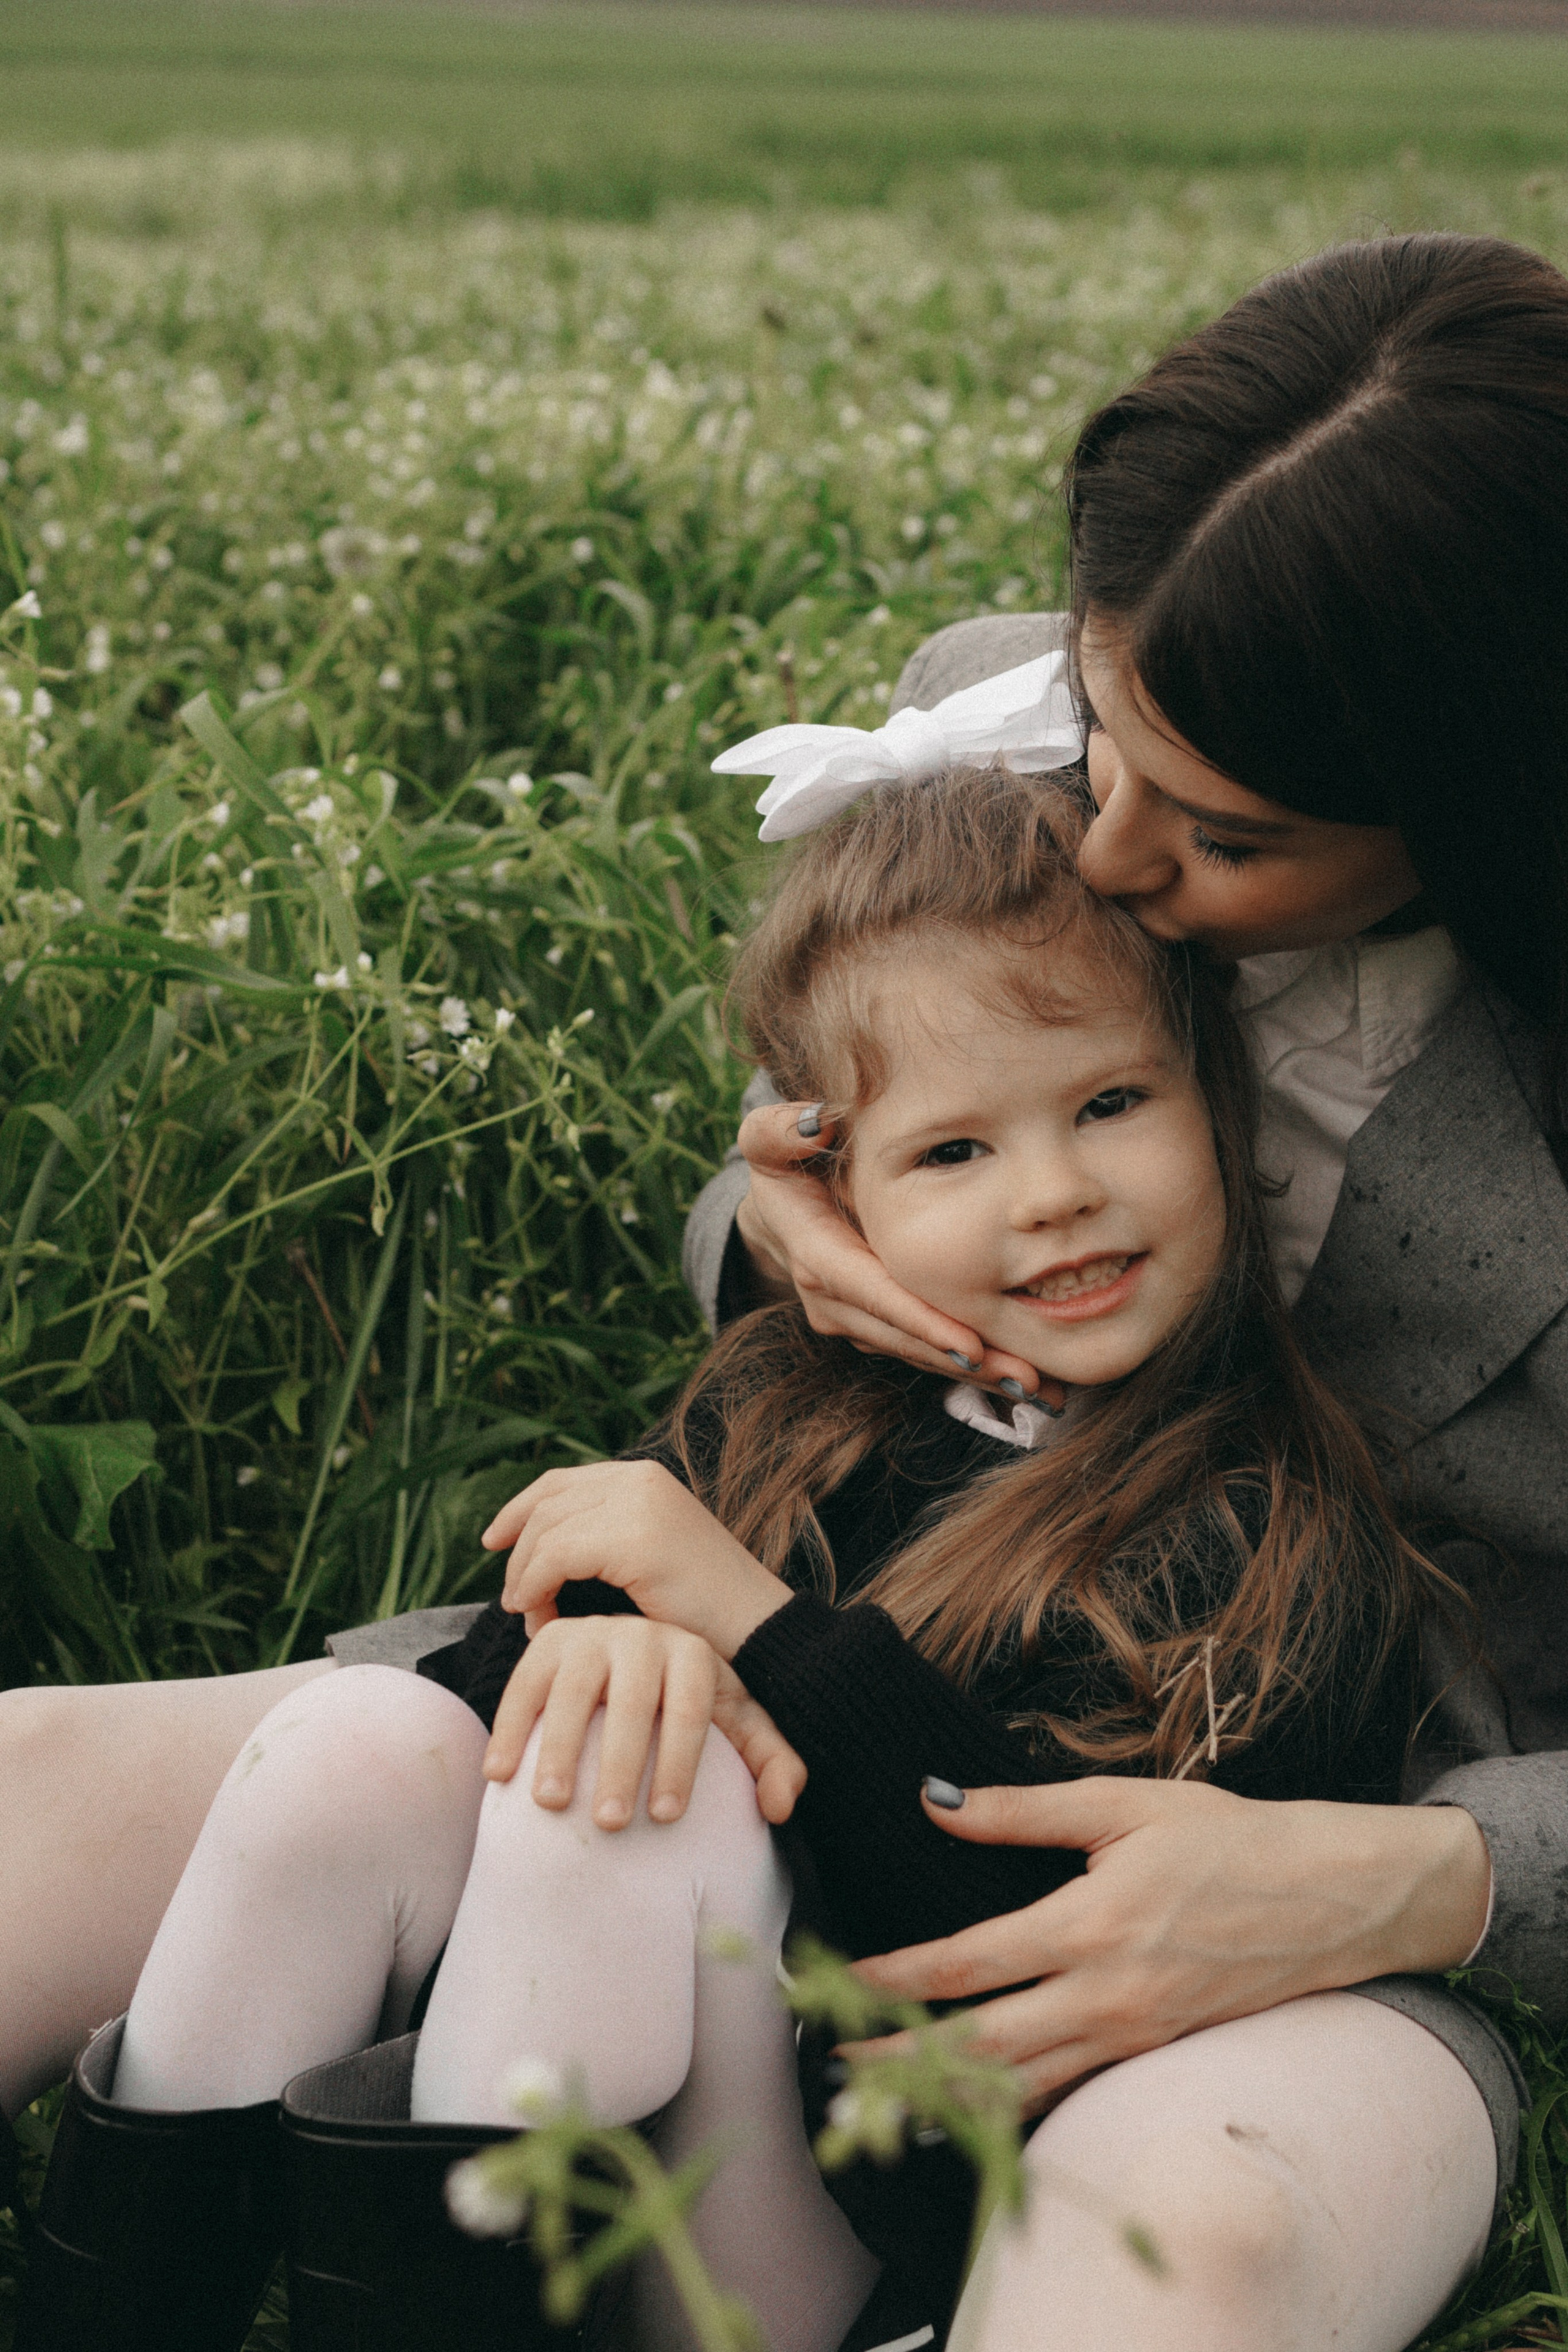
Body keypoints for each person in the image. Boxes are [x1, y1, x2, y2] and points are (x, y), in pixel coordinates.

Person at [0, 225, 1558, 2348]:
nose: (1100, 844)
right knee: (97, 1797)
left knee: (1181, 2257)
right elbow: (805, 1153)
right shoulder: (1018, 722)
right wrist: (787, 1230)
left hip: (1281, 1829)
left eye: (1222, 832)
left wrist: (1435, 1878)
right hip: (811, 1644)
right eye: (1101, 734)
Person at [18, 761, 1455, 2352]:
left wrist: (752, 1630)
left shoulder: (1273, 1530)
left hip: (893, 2204)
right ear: (825, 1187)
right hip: (627, 2099)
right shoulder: (790, 1399)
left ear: (1218, 1109)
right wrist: (607, 1636)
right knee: (373, 1741)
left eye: (1110, 1105)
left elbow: (1025, 1959)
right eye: (952, 1153)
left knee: (662, 1782)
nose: (1053, 1197)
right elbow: (500, 1696)